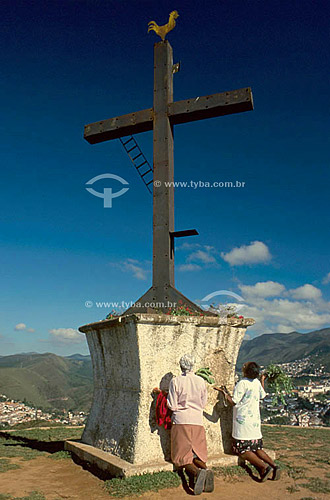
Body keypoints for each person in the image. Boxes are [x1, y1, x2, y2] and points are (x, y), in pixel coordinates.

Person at [215, 361, 280, 482]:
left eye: (244, 366)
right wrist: (262, 380)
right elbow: (263, 395)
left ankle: (263, 467)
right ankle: (274, 466)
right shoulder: (256, 383)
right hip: (254, 421)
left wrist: (223, 393)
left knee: (243, 451)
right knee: (257, 448)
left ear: (246, 371)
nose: (243, 366)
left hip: (243, 421)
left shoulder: (242, 383)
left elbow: (233, 401)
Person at [167, 354, 214, 495]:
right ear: (193, 365)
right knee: (198, 453)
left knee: (182, 456)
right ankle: (205, 470)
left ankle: (196, 472)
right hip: (197, 420)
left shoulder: (175, 381)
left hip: (181, 420)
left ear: (181, 365)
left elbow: (172, 404)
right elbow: (203, 402)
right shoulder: (200, 381)